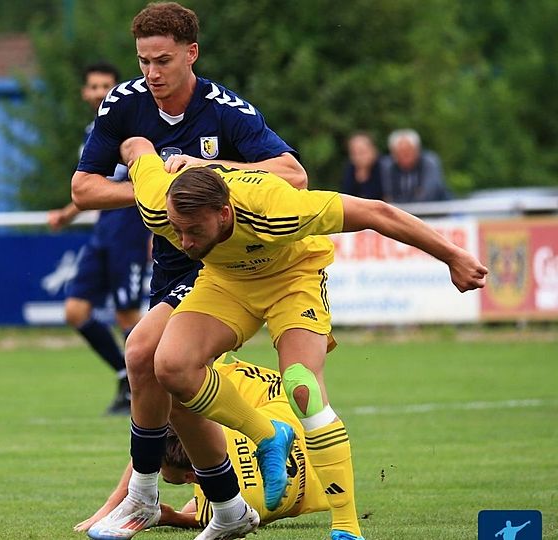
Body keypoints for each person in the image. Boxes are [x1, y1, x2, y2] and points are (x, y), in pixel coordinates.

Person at [116, 135, 488, 540]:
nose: (184, 242)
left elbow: (376, 212)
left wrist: (453, 256)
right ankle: (267, 434)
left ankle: (346, 528)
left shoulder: (277, 208)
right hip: (226, 283)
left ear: (224, 214)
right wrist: (142, 145)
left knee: (302, 386)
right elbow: (136, 145)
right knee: (170, 366)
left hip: (292, 281)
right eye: (178, 229)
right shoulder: (159, 203)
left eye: (194, 230)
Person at [72, 3, 308, 540]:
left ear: (191, 53)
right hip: (170, 263)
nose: (151, 73)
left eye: (163, 61)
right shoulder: (124, 104)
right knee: (173, 388)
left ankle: (143, 498)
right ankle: (228, 510)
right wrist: (158, 192)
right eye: (143, 61)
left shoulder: (224, 109)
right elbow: (83, 189)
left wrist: (209, 171)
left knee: (141, 353)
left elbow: (293, 174)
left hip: (220, 264)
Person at [76, 356, 331, 535]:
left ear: (191, 475)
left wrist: (168, 517)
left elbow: (192, 514)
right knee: (183, 388)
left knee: (177, 379)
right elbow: (165, 440)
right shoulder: (218, 450)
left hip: (295, 429)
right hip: (279, 399)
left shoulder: (232, 499)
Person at [48, 63, 152, 416]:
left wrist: (156, 230)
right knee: (75, 311)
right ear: (84, 92)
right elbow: (91, 188)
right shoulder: (93, 132)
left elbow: (147, 185)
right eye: (93, 86)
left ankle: (141, 386)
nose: (98, 92)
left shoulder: (132, 130)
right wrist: (67, 213)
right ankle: (126, 373)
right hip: (103, 228)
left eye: (105, 86)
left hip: (131, 227)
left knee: (127, 314)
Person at [380, 128, 451, 203]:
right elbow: (388, 194)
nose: (404, 155)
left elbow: (429, 193)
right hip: (401, 211)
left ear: (417, 150)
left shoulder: (430, 162)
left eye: (408, 151)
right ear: (393, 153)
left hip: (436, 210)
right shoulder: (387, 166)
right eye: (400, 152)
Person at [340, 132, 383, 200]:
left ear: (373, 150)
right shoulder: (350, 169)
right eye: (354, 153)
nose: (358, 157)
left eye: (362, 152)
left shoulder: (385, 168)